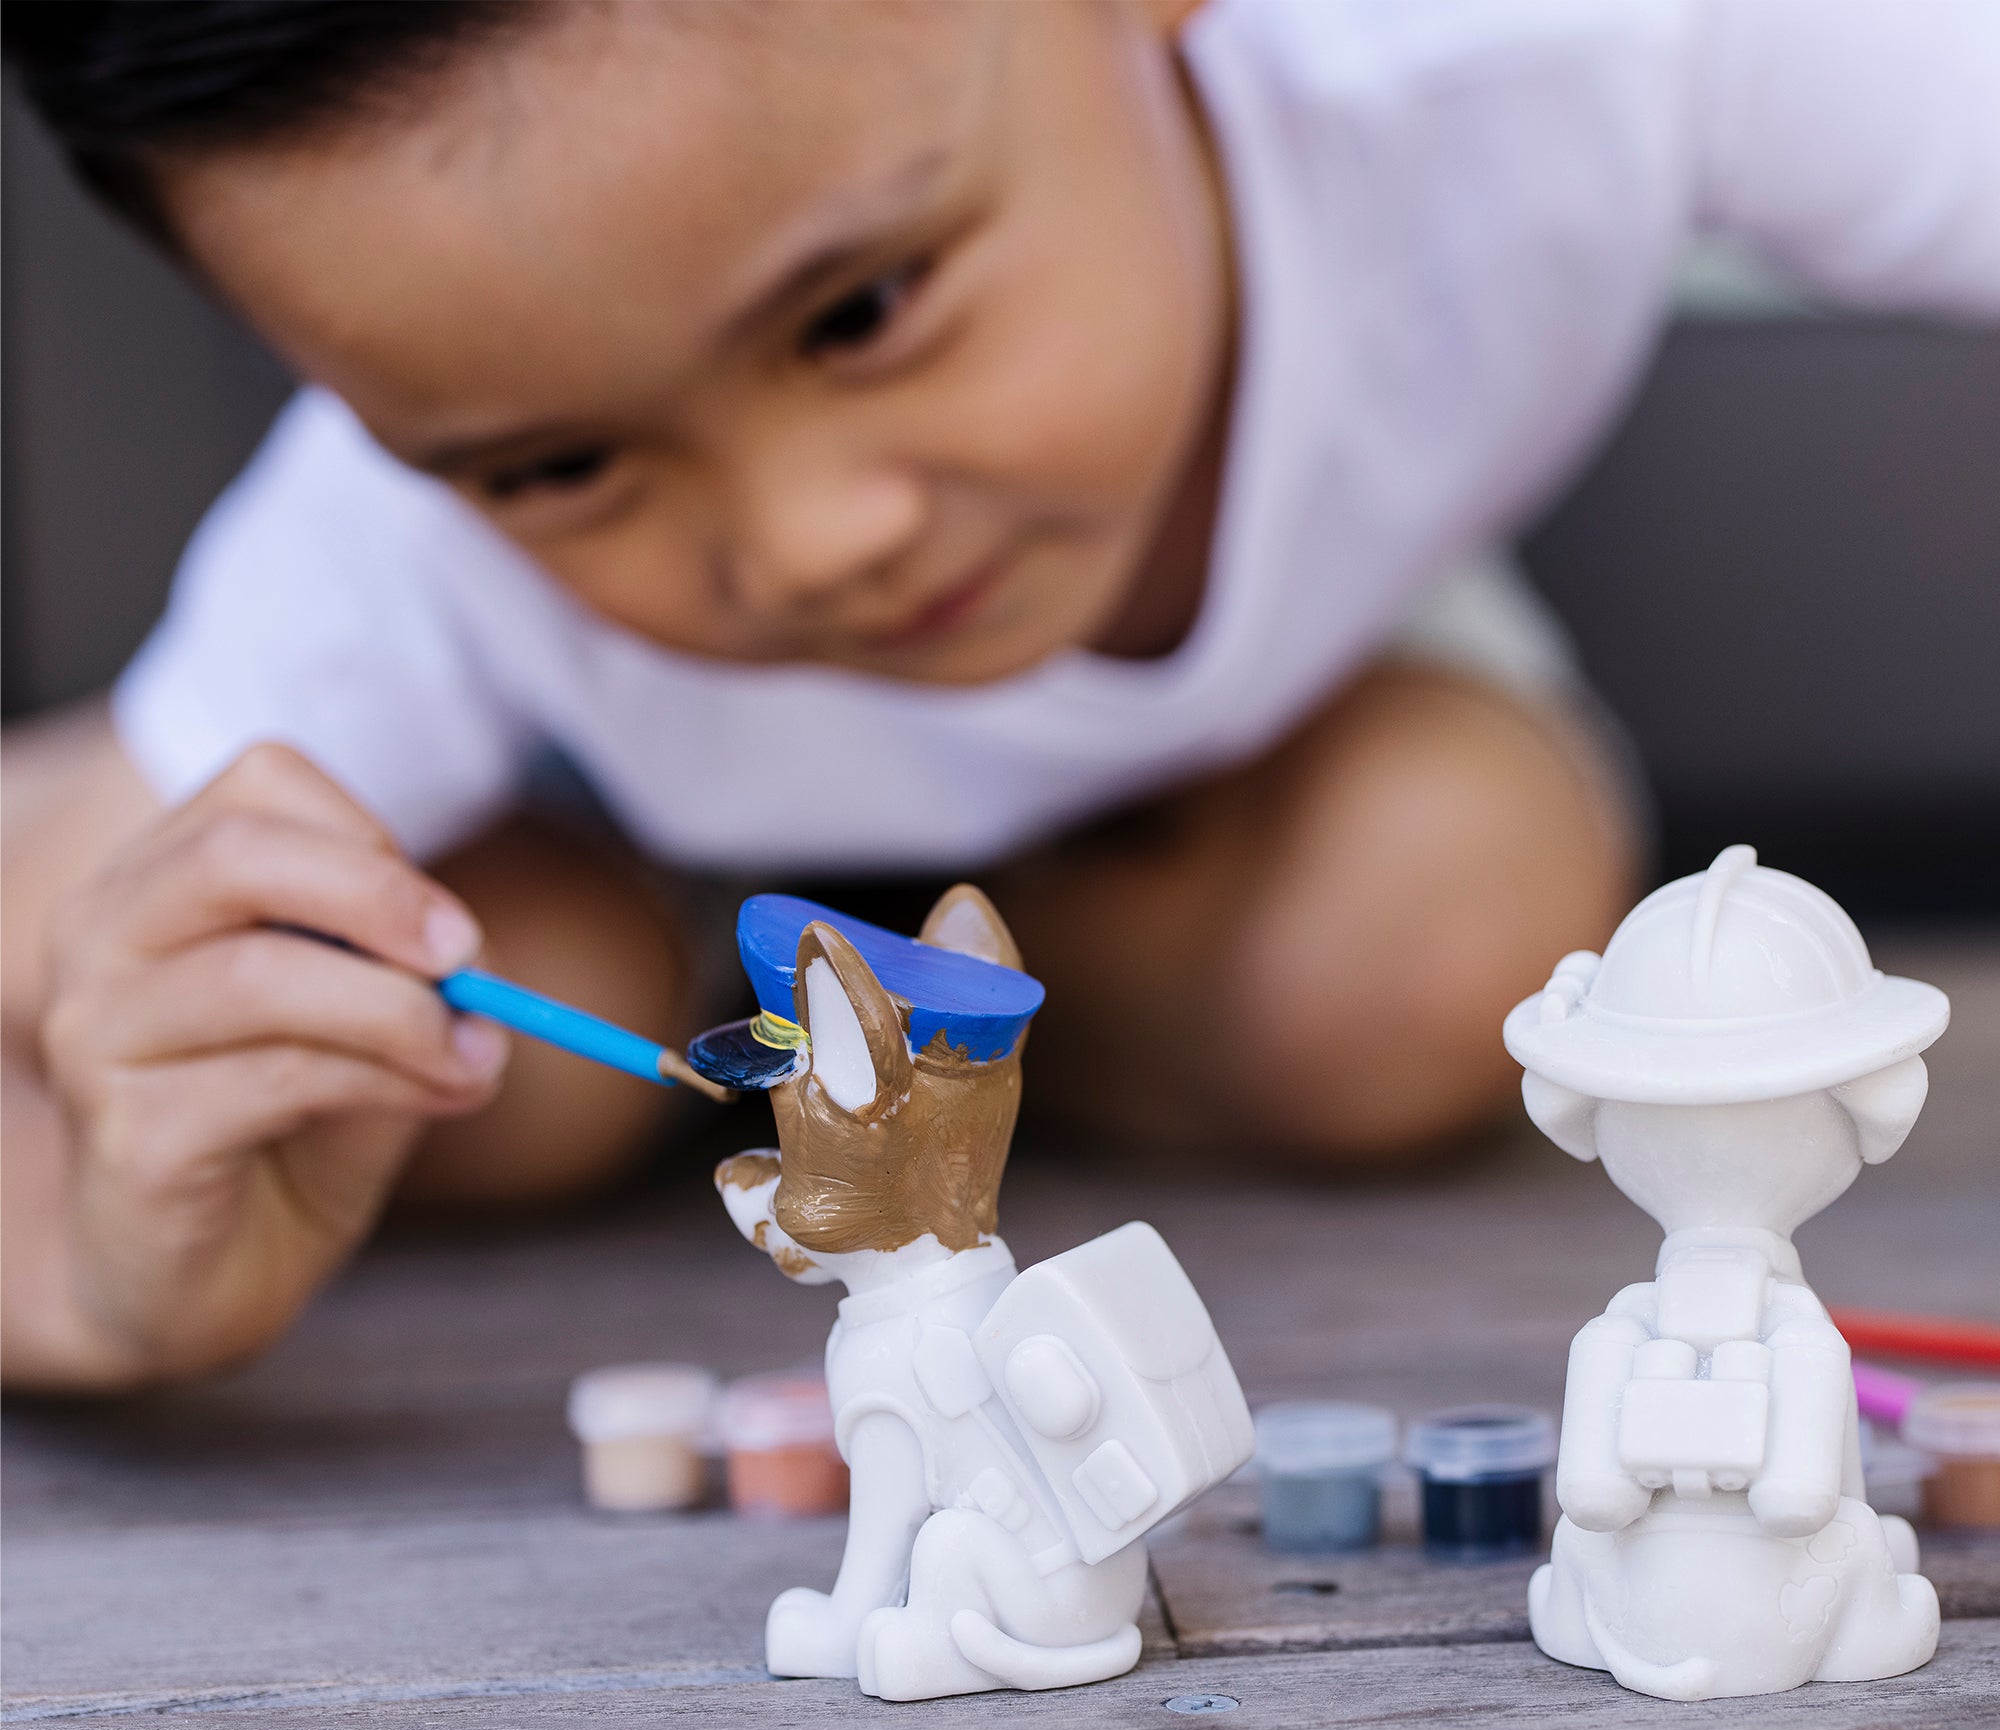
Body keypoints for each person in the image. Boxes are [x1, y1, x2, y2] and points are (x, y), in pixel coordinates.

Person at [3, 1, 1994, 1393]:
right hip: (601, 829)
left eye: (863, 309)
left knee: (1425, 939)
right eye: (554, 466)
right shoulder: (377, 567)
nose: (807, 542)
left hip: (1248, 794)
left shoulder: (1531, 49)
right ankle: (786, 1021)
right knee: (392, 1037)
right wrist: (86, 1280)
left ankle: (929, 1050)